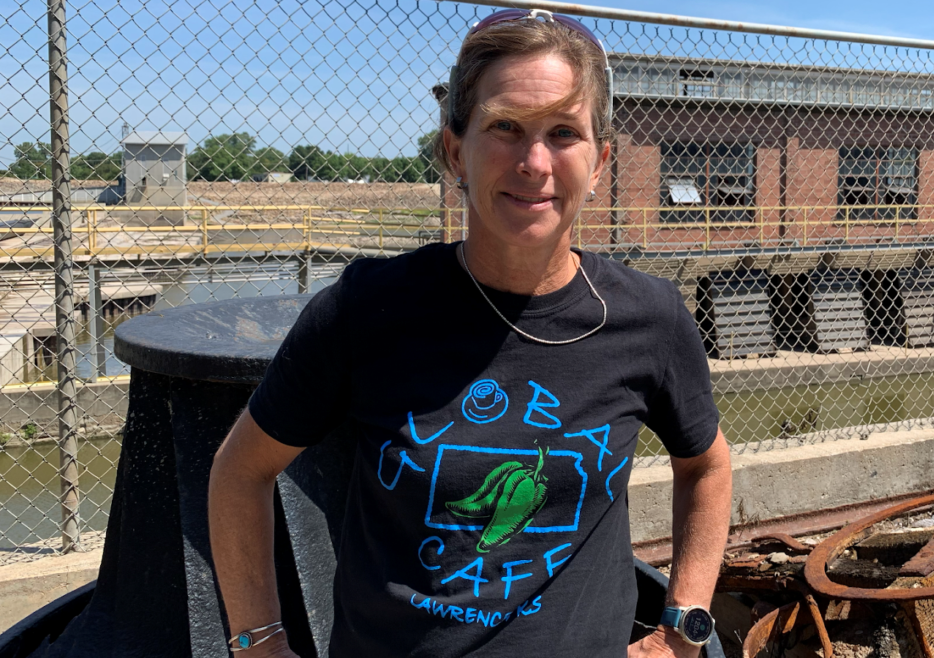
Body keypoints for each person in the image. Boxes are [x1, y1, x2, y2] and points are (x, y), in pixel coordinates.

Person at [208, 9, 732, 657]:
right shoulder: (368, 307)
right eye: (505, 127)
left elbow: (707, 466)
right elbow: (240, 472)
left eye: (563, 133)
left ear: (598, 164)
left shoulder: (648, 317)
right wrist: (258, 643)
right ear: (456, 150)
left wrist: (682, 629)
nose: (534, 161)